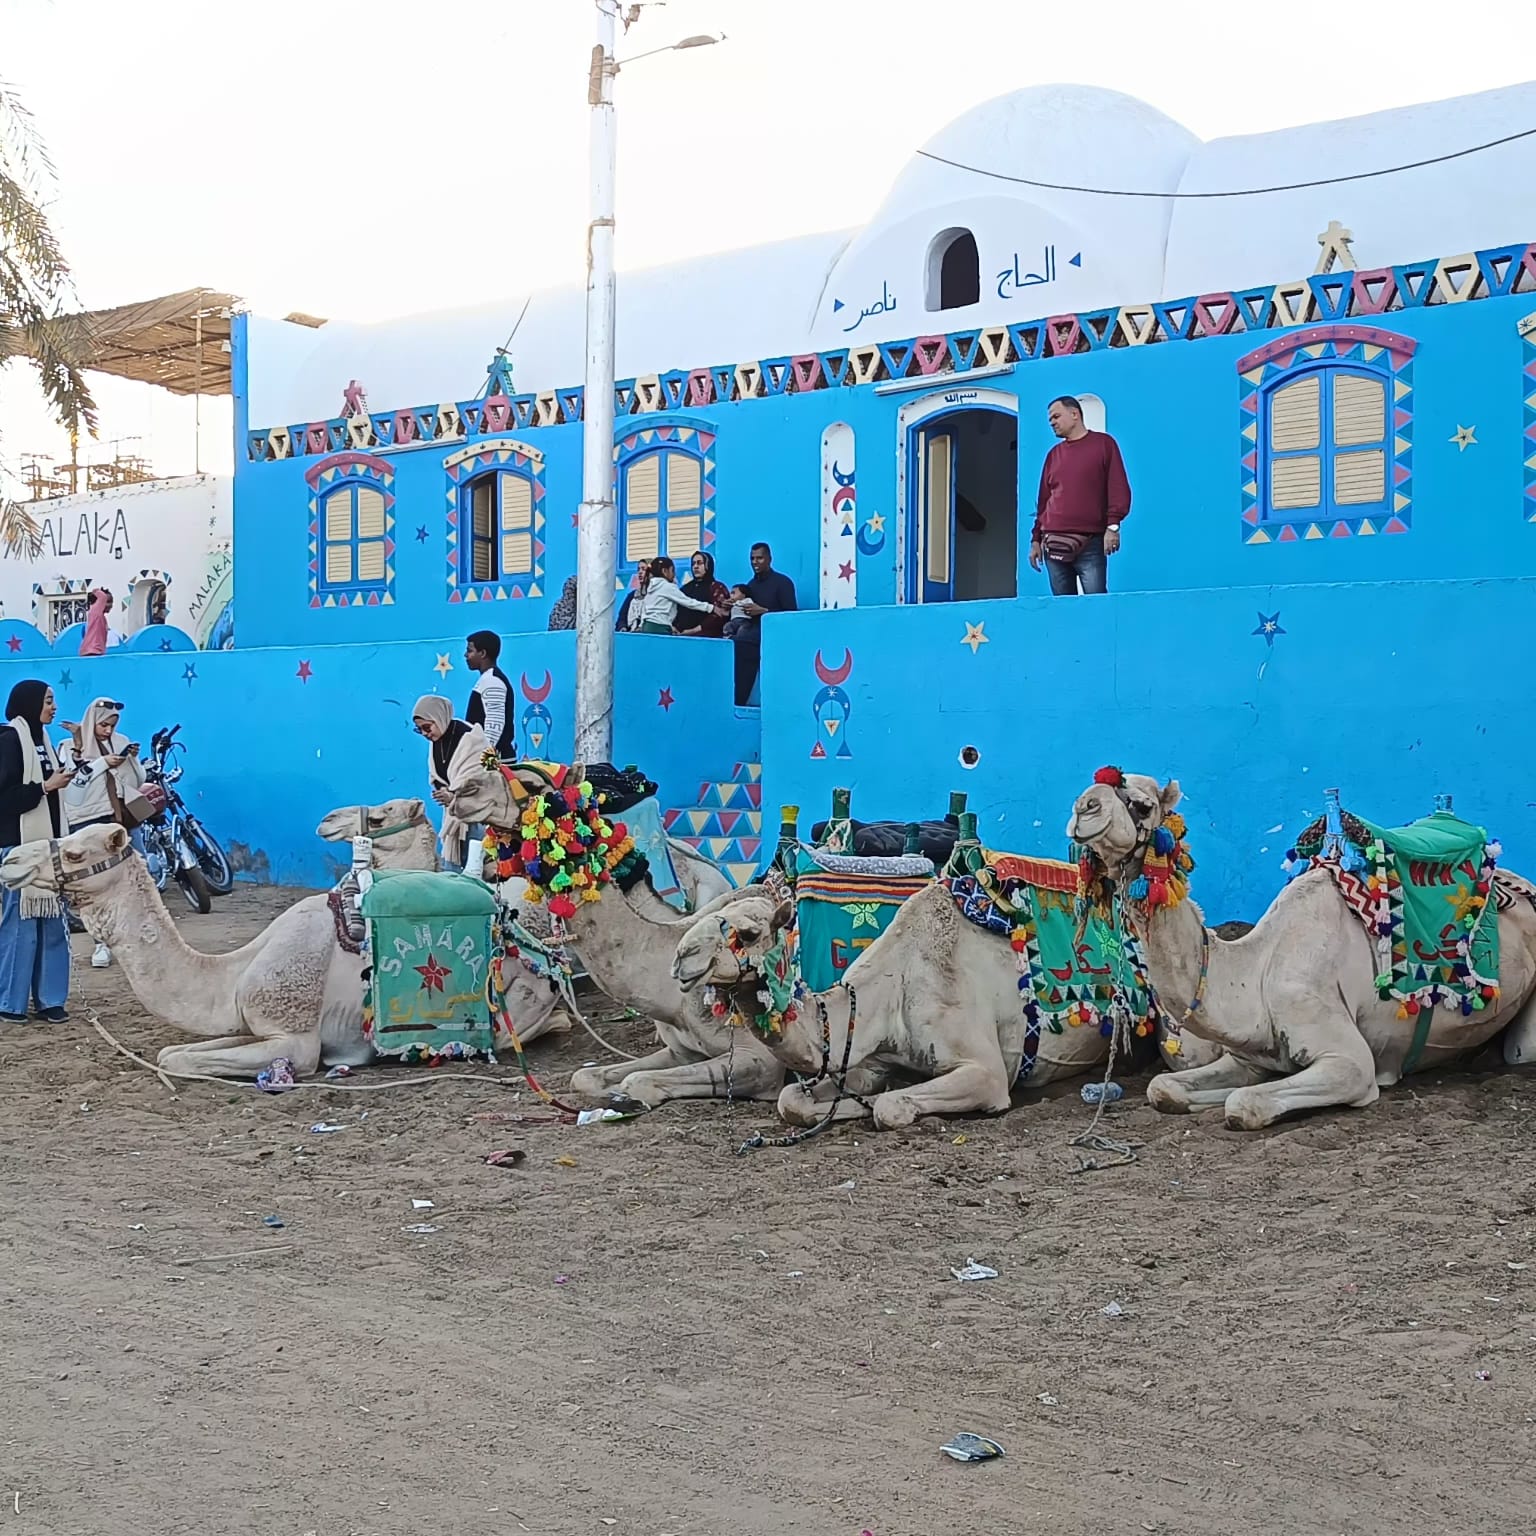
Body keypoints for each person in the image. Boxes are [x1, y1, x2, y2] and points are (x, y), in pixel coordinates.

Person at [0, 680, 74, 1023]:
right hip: (19, 847)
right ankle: (10, 1003)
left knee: (53, 923)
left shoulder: (43, 741)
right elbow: (6, 798)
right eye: (48, 700)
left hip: (49, 848)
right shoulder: (10, 741)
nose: (53, 707)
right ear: (30, 703)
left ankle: (50, 999)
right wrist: (45, 787)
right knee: (20, 925)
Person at [59, 697, 146, 969]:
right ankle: (100, 943)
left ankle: (132, 937)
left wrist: (130, 759)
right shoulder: (69, 746)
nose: (108, 731)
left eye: (112, 725)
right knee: (97, 884)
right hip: (87, 821)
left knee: (134, 877)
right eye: (103, 725)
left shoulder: (120, 742)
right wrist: (100, 762)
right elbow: (74, 785)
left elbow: (136, 781)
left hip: (119, 818)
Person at [1029, 395, 1130, 597]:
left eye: (1056, 416)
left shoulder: (1104, 444)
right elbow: (1044, 501)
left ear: (1075, 414)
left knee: (1096, 603)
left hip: (1090, 543)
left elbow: (1117, 487)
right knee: (1063, 608)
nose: (1052, 422)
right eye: (1050, 419)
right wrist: (1035, 540)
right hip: (1052, 543)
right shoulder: (1053, 455)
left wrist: (1113, 526)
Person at [411, 696, 491, 872]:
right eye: (419, 730)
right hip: (454, 818)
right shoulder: (436, 742)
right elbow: (437, 776)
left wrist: (455, 796)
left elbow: (480, 779)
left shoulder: (471, 738)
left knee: (476, 870)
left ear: (439, 717)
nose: (425, 734)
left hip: (478, 816)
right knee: (452, 873)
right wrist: (443, 792)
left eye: (426, 727)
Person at [731, 541, 797, 706]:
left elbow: (791, 616)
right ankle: (737, 704)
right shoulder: (751, 585)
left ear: (769, 559)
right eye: (752, 558)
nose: (755, 562)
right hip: (750, 639)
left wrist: (764, 611)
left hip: (773, 641)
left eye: (759, 558)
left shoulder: (783, 583)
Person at [626, 556, 725, 635]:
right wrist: (711, 608)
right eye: (672, 571)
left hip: (648, 626)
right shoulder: (668, 587)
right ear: (665, 571)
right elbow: (688, 602)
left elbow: (645, 608)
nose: (674, 575)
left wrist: (642, 624)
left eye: (700, 563)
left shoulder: (650, 588)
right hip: (661, 627)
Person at [463, 630, 515, 759]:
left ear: (483, 653)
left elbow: (494, 726)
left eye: (469, 651)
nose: (465, 655)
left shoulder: (492, 681)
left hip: (496, 763)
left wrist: (482, 758)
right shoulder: (487, 679)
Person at [674, 550, 731, 638]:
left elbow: (719, 615)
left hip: (707, 639)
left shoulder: (717, 587)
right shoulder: (685, 589)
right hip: (682, 637)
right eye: (693, 564)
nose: (695, 567)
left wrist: (693, 630)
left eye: (700, 563)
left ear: (708, 565)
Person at [79, 587, 117, 656]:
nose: (111, 605)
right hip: (92, 650)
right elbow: (102, 597)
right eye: (107, 602)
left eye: (111, 602)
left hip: (96, 650)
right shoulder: (96, 611)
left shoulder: (100, 617)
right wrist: (95, 591)